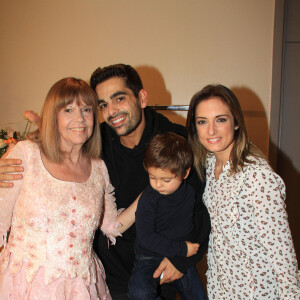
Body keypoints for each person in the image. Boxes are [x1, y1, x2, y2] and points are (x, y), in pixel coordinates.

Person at [0, 64, 211, 299]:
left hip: (159, 272)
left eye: (119, 98)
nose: (111, 111)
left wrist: (182, 260)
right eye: (102, 105)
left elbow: (201, 211)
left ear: (141, 98)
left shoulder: (175, 141)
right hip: (96, 279)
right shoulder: (87, 147)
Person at [0, 77, 137, 299]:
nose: (79, 119)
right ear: (53, 116)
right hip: (26, 285)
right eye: (68, 110)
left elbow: (111, 225)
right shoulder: (26, 154)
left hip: (81, 287)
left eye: (86, 110)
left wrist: (151, 191)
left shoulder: (98, 168)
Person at [186, 84, 299, 299]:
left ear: (236, 122)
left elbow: (283, 257)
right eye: (202, 122)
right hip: (221, 288)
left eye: (220, 119)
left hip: (258, 291)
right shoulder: (209, 166)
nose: (211, 130)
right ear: (195, 128)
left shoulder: (257, 177)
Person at [128, 132, 206, 300]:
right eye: (152, 177)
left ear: (185, 173)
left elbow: (197, 222)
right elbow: (145, 237)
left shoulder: (190, 192)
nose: (157, 184)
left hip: (178, 255)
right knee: (139, 293)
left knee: (197, 295)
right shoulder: (148, 199)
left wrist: (182, 253)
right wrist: (182, 249)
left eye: (166, 180)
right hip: (149, 256)